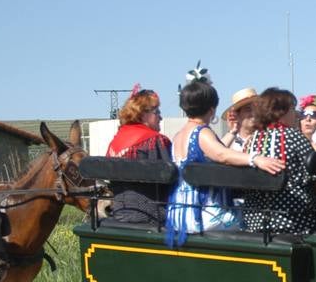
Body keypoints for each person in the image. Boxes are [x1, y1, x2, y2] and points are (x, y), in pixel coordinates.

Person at [165, 79, 284, 245]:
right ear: (212, 108)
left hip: (179, 213)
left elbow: (214, 151)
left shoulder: (179, 135)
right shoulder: (202, 132)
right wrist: (255, 159)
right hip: (203, 215)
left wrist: (232, 132)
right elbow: (221, 155)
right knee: (252, 218)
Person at [238, 88, 316, 233]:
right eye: (292, 109)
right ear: (280, 112)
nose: (297, 114)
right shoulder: (294, 137)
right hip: (293, 219)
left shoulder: (251, 140)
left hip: (255, 220)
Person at [105, 87, 173, 224]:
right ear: (142, 114)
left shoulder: (115, 143)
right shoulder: (155, 140)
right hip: (153, 214)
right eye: (157, 112)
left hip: (119, 213)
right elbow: (171, 178)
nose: (161, 117)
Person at [220, 86, 257, 151]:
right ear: (236, 115)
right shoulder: (231, 142)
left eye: (257, 109)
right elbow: (217, 153)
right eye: (248, 109)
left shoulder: (266, 138)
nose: (254, 113)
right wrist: (232, 131)